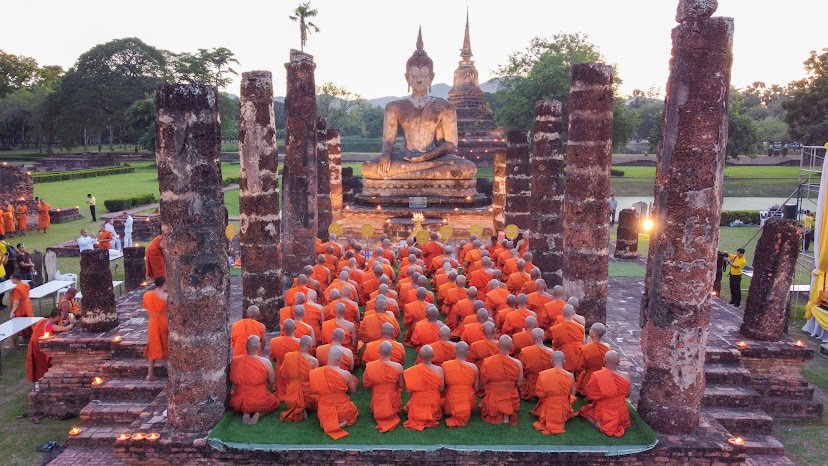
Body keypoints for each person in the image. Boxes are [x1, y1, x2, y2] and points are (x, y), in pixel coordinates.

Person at [308, 346, 359, 440]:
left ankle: (328, 424)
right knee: (353, 410)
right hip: (342, 410)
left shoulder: (314, 373)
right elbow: (353, 391)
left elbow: (314, 390)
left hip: (324, 410)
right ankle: (340, 423)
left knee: (324, 414)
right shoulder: (345, 374)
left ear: (327, 356)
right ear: (341, 359)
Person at [228, 335, 280, 425]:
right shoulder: (265, 362)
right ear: (259, 347)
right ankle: (259, 414)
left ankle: (246, 412)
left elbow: (231, 379)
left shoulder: (235, 360)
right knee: (275, 403)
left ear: (246, 346)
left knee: (246, 400)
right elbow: (272, 381)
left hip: (239, 400)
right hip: (260, 399)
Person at [579, 351, 632, 437]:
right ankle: (612, 423)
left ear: (604, 361)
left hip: (605, 413)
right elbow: (627, 395)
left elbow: (590, 395)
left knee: (584, 411)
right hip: (622, 414)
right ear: (619, 362)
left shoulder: (598, 375)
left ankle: (599, 424)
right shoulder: (626, 376)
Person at [479, 335, 523, 426]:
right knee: (507, 392)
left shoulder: (488, 362)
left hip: (494, 394)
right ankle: (506, 412)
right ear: (512, 347)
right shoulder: (517, 363)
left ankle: (499, 410)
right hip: (510, 395)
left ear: (498, 345)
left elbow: (483, 381)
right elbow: (519, 384)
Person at [362, 341, 404, 432]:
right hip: (393, 400)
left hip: (377, 400)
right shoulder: (398, 367)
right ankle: (390, 413)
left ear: (379, 351)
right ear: (391, 352)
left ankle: (379, 412)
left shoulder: (370, 366)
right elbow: (401, 385)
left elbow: (366, 384)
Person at [533, 351, 576, 435]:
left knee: (543, 402)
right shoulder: (570, 376)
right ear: (564, 362)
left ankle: (552, 419)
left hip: (549, 407)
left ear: (551, 361)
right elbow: (573, 395)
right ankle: (562, 418)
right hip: (564, 408)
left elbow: (539, 394)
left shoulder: (543, 374)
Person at [402, 344, 444, 431]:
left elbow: (408, 389)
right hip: (433, 403)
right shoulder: (439, 370)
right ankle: (429, 414)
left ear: (419, 356)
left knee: (407, 407)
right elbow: (441, 389)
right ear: (433, 356)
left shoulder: (412, 370)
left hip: (418, 402)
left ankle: (419, 414)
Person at [279, 335, 319, 422]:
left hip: (291, 395)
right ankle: (304, 407)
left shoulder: (288, 356)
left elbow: (282, 374)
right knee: (318, 400)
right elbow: (315, 380)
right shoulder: (313, 360)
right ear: (310, 346)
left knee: (294, 400)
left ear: (299, 344)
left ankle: (299, 407)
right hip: (308, 393)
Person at [27, 310, 73, 383]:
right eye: (61, 316)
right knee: (42, 366)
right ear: (57, 317)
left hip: (34, 343)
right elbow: (66, 329)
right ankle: (42, 382)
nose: (62, 317)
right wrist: (73, 323)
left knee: (37, 365)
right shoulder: (49, 325)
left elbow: (57, 328)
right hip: (39, 346)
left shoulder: (44, 320)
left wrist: (66, 323)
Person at [441, 341, 478, 428]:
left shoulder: (445, 365)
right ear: (468, 353)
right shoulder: (474, 367)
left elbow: (442, 387)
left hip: (450, 405)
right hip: (468, 405)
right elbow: (476, 388)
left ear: (454, 351)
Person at [518, 328, 554, 401]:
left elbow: (522, 369)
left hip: (531, 385)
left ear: (532, 338)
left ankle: (533, 394)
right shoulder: (551, 352)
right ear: (544, 338)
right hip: (546, 383)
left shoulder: (525, 351)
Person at [143, 277, 169, 381]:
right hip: (164, 322)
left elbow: (146, 307)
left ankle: (150, 373)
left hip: (152, 322)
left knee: (152, 346)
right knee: (168, 345)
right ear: (163, 284)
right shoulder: (166, 296)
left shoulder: (147, 295)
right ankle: (171, 373)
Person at [269, 318, 301, 399]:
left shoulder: (274, 341)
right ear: (295, 328)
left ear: (283, 329)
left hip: (280, 372)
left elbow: (273, 357)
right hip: (295, 372)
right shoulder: (300, 343)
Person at [576, 322, 611, 396]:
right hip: (603, 376)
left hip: (590, 377)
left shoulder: (586, 348)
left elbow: (580, 366)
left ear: (594, 333)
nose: (589, 331)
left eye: (591, 329)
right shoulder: (607, 347)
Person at [550, 305, 585, 373]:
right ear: (573, 313)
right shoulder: (581, 327)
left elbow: (555, 344)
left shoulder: (557, 328)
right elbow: (583, 342)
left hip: (565, 354)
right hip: (579, 353)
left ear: (562, 313)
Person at [5, 273, 33, 349]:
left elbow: (16, 302)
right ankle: (27, 339)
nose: (11, 280)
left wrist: (12, 311)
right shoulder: (25, 284)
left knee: (14, 325)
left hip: (20, 309)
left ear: (15, 279)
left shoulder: (17, 289)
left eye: (11, 279)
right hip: (27, 307)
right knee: (27, 324)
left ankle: (13, 344)